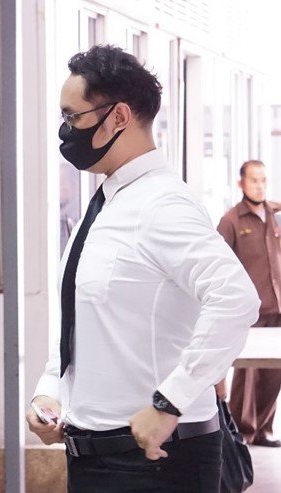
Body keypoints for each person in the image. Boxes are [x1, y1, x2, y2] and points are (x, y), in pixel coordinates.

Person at [26, 45, 260, 492]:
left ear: (118, 117)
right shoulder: (106, 203)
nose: (65, 131)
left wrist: (170, 402)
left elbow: (235, 299)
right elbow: (82, 322)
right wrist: (50, 390)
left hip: (156, 463)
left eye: (73, 117)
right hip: (94, 458)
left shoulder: (163, 204)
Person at [217, 159, 281, 447]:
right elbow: (219, 265)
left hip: (277, 306)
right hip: (250, 309)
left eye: (263, 180)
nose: (259, 185)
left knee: (273, 375)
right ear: (241, 183)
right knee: (248, 374)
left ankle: (264, 430)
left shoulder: (275, 215)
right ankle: (242, 433)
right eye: (254, 180)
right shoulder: (231, 220)